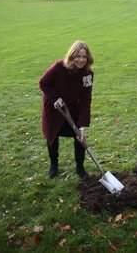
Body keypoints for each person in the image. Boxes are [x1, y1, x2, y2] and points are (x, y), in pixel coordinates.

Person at [39, 40, 94, 178]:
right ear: (72, 56)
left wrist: (82, 125)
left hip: (73, 111)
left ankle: (80, 168)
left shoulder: (87, 74)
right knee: (53, 137)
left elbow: (86, 100)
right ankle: (54, 165)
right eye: (78, 56)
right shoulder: (59, 67)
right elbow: (44, 83)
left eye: (84, 57)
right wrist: (55, 98)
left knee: (80, 138)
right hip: (55, 109)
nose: (81, 60)